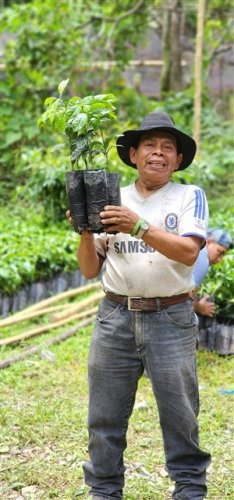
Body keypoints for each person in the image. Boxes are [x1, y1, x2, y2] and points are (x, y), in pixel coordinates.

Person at [68, 111, 211, 499]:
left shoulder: (188, 196)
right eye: (150, 145)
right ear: (133, 154)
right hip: (115, 317)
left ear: (178, 160)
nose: (159, 153)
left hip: (171, 316)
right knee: (105, 416)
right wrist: (85, 231)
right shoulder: (111, 197)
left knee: (180, 414)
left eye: (169, 148)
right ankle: (104, 489)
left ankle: (189, 488)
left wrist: (137, 225)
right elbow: (87, 269)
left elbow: (187, 253)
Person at [193, 227, 233, 317]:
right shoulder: (203, 259)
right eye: (220, 252)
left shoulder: (195, 249)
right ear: (209, 241)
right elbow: (182, 301)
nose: (219, 260)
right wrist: (199, 307)